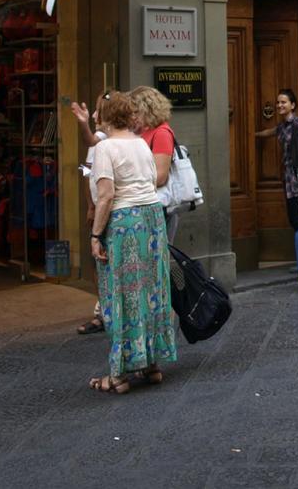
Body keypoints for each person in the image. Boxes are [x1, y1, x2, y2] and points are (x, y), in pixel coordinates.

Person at [88, 91, 175, 394]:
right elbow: (154, 180)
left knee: (120, 293)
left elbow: (106, 195)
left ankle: (118, 374)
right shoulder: (141, 143)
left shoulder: (105, 148)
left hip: (124, 222)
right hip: (152, 219)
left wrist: (96, 234)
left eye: (98, 113)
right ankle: (151, 364)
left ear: (106, 117)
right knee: (151, 287)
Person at [70, 91, 108, 336]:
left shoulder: (103, 138)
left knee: (100, 260)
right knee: (98, 261)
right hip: (97, 205)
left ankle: (103, 312)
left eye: (97, 110)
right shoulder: (100, 139)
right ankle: (103, 309)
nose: (94, 114)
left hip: (105, 208)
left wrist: (94, 206)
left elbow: (90, 141)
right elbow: (85, 171)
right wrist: (90, 204)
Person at [256, 89, 298, 231]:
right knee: (294, 219)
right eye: (278, 102)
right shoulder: (282, 126)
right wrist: (252, 135)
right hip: (289, 180)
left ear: (293, 105)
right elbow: (269, 132)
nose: (279, 105)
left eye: (283, 102)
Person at [130, 86, 177, 241]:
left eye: (136, 112)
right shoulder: (142, 132)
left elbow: (161, 176)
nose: (133, 116)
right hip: (143, 203)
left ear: (147, 109)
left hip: (158, 207)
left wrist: (128, 186)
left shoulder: (161, 133)